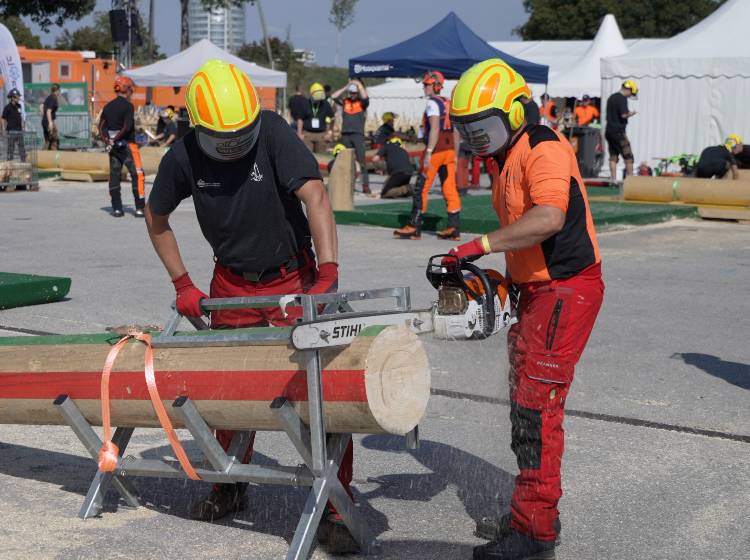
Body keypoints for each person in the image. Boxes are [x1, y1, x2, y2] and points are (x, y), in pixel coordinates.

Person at [144, 59, 357, 554]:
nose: (236, 144)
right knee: (228, 391)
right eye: (225, 138)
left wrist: (327, 271)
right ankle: (230, 484)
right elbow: (156, 218)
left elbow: (315, 195)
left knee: (319, 393)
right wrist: (182, 282)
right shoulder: (183, 157)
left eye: (242, 134)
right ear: (198, 127)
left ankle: (335, 508)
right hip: (231, 284)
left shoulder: (272, 132)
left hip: (290, 277)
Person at [448, 58, 604, 560]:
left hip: (566, 289)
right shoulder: (504, 155)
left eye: (482, 127)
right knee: (525, 404)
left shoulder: (543, 147)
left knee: (537, 409)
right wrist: (504, 281)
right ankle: (531, 511)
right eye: (467, 129)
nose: (475, 137)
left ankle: (534, 535)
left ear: (516, 112)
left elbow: (548, 218)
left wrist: (480, 246)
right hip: (537, 291)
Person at [393, 70, 461, 240]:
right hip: (450, 149)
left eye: (426, 84)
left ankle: (414, 226)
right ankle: (454, 227)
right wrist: (456, 155)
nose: (424, 87)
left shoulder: (432, 103)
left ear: (435, 85)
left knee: (421, 188)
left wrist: (429, 152)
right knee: (450, 188)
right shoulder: (449, 102)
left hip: (436, 150)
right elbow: (457, 130)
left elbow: (435, 128)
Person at [98, 75, 146, 217]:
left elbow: (101, 127)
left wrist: (109, 140)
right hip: (128, 146)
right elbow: (127, 126)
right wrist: (118, 138)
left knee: (114, 175)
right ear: (126, 89)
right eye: (130, 89)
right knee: (138, 175)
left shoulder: (107, 106)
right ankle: (139, 208)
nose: (132, 92)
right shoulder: (128, 106)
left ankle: (117, 208)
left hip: (113, 148)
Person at [332, 79, 370, 194]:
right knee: (347, 161)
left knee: (362, 161)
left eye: (354, 93)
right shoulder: (345, 102)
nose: (352, 95)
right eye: (351, 93)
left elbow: (365, 97)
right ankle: (348, 185)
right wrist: (347, 85)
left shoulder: (362, 103)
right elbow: (334, 96)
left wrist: (358, 85)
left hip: (358, 135)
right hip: (345, 135)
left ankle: (365, 185)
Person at [605, 80, 638, 180]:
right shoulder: (622, 99)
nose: (630, 95)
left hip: (609, 131)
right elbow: (623, 114)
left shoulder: (611, 97)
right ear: (628, 89)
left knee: (613, 157)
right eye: (631, 92)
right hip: (618, 132)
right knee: (629, 157)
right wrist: (631, 113)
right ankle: (631, 181)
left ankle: (613, 180)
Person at [301, 82, 334, 153]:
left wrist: (329, 133)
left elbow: (332, 118)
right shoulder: (305, 103)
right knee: (307, 157)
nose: (319, 99)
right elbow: (300, 119)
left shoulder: (325, 104)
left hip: (321, 135)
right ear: (311, 95)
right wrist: (300, 134)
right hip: (307, 134)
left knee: (321, 158)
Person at [2, 88, 26, 162]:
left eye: (18, 96)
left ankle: (23, 161)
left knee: (21, 147)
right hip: (11, 130)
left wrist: (23, 126)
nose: (18, 98)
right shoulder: (7, 107)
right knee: (11, 147)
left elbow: (20, 117)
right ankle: (10, 162)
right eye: (17, 96)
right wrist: (3, 128)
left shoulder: (19, 106)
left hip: (19, 130)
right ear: (12, 98)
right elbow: (3, 118)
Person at [41, 83, 60, 150]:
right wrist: (50, 123)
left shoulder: (49, 97)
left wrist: (44, 117)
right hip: (49, 121)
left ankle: (43, 156)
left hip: (44, 121)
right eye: (59, 91)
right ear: (57, 90)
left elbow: (41, 106)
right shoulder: (53, 98)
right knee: (54, 140)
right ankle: (54, 158)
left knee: (48, 141)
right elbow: (48, 111)